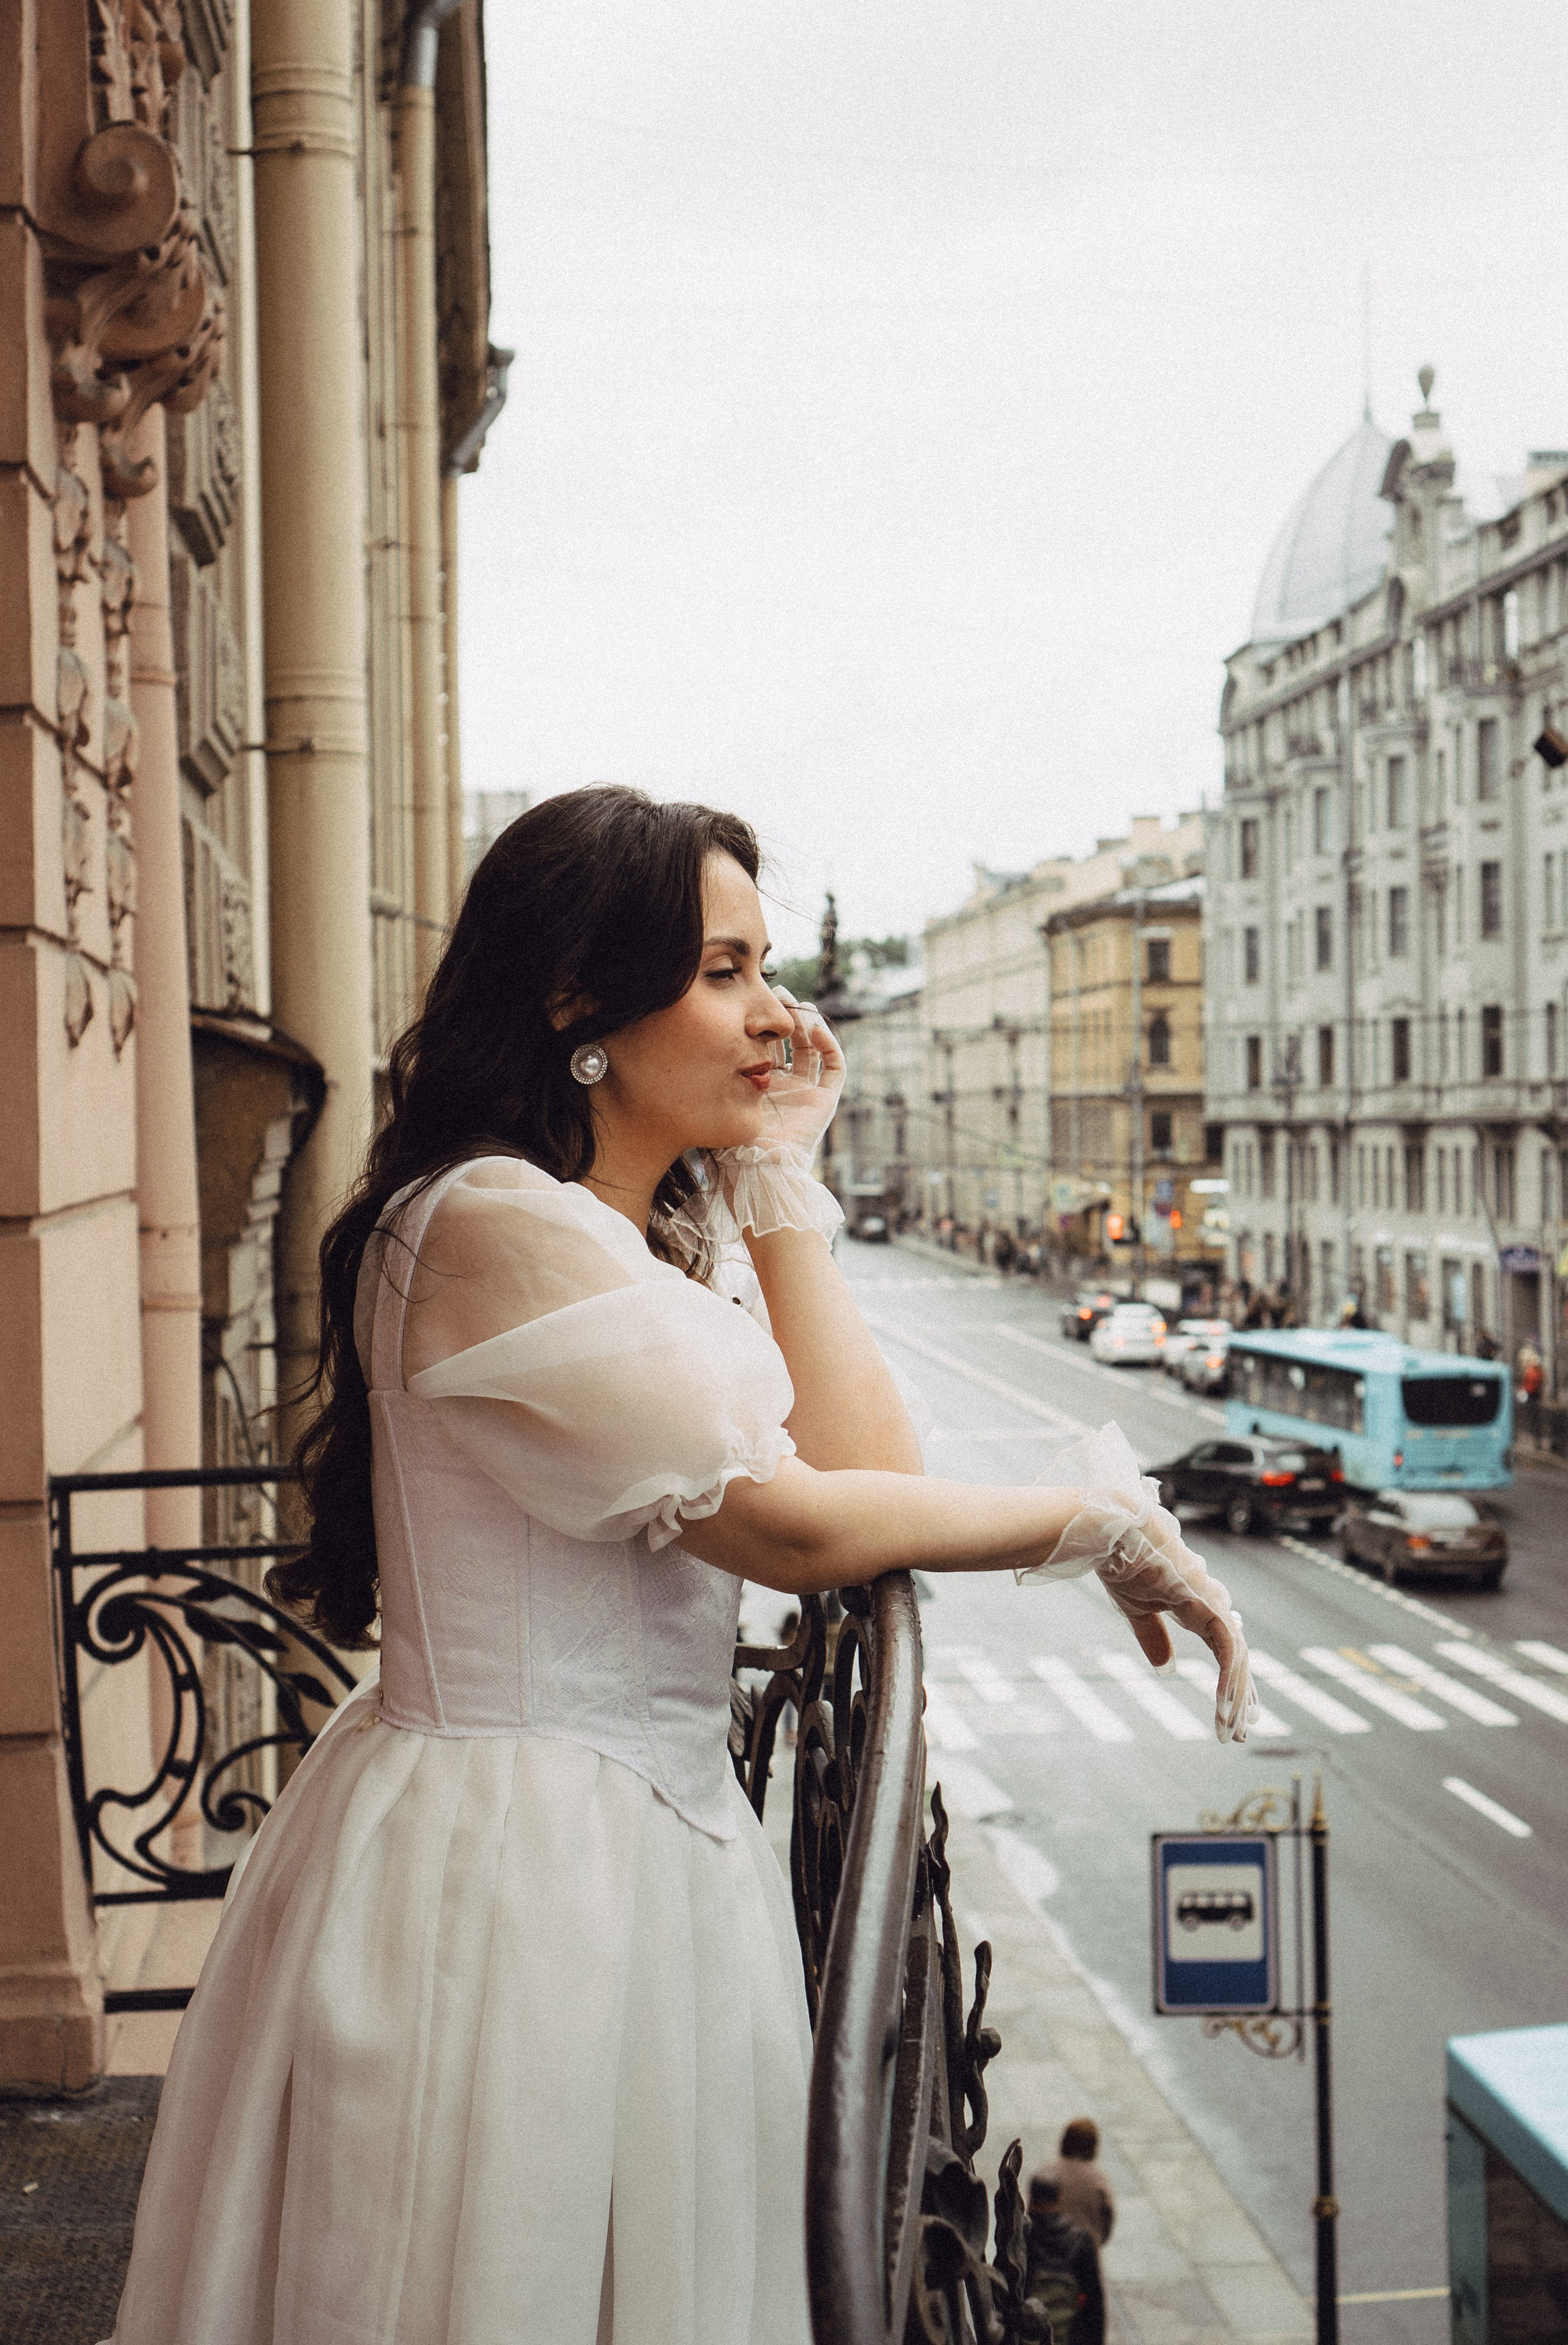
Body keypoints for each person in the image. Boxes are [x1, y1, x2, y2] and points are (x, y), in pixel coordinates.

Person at [104, 789, 1253, 2344]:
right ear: (577, 1002)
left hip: (629, 1852)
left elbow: (867, 1471)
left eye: (766, 967)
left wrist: (777, 1184)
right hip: (521, 1876)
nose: (776, 1015)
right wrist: (1098, 1519)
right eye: (724, 971)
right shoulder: (491, 1222)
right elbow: (791, 1526)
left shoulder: (608, 1230)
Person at [1024, 2173, 1104, 2345]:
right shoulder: (1081, 2239)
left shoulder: (1021, 2238)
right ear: (1060, 2198)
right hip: (1071, 2335)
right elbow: (1094, 2301)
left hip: (1029, 2336)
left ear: (1030, 2198)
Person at [1035, 2117, 1115, 2247]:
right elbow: (1107, 2219)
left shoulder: (1047, 2173)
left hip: (1048, 2249)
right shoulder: (1097, 2180)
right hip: (1085, 2251)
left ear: (1064, 2141)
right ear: (1093, 2147)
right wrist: (1096, 2242)